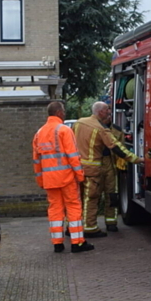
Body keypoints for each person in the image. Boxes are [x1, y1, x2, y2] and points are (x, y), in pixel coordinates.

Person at [32, 101, 93, 253]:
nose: (65, 113)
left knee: (55, 210)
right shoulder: (64, 130)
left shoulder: (39, 133)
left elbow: (36, 160)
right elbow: (73, 156)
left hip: (49, 180)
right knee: (73, 207)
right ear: (59, 112)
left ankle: (57, 243)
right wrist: (80, 176)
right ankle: (77, 242)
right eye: (63, 111)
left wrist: (40, 180)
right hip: (66, 178)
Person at [73, 101, 140, 238]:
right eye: (107, 110)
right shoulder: (101, 129)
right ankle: (89, 227)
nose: (110, 112)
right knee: (91, 197)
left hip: (80, 166)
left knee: (104, 195)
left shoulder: (79, 123)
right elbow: (117, 147)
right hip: (94, 166)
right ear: (101, 112)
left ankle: (76, 226)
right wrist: (137, 160)